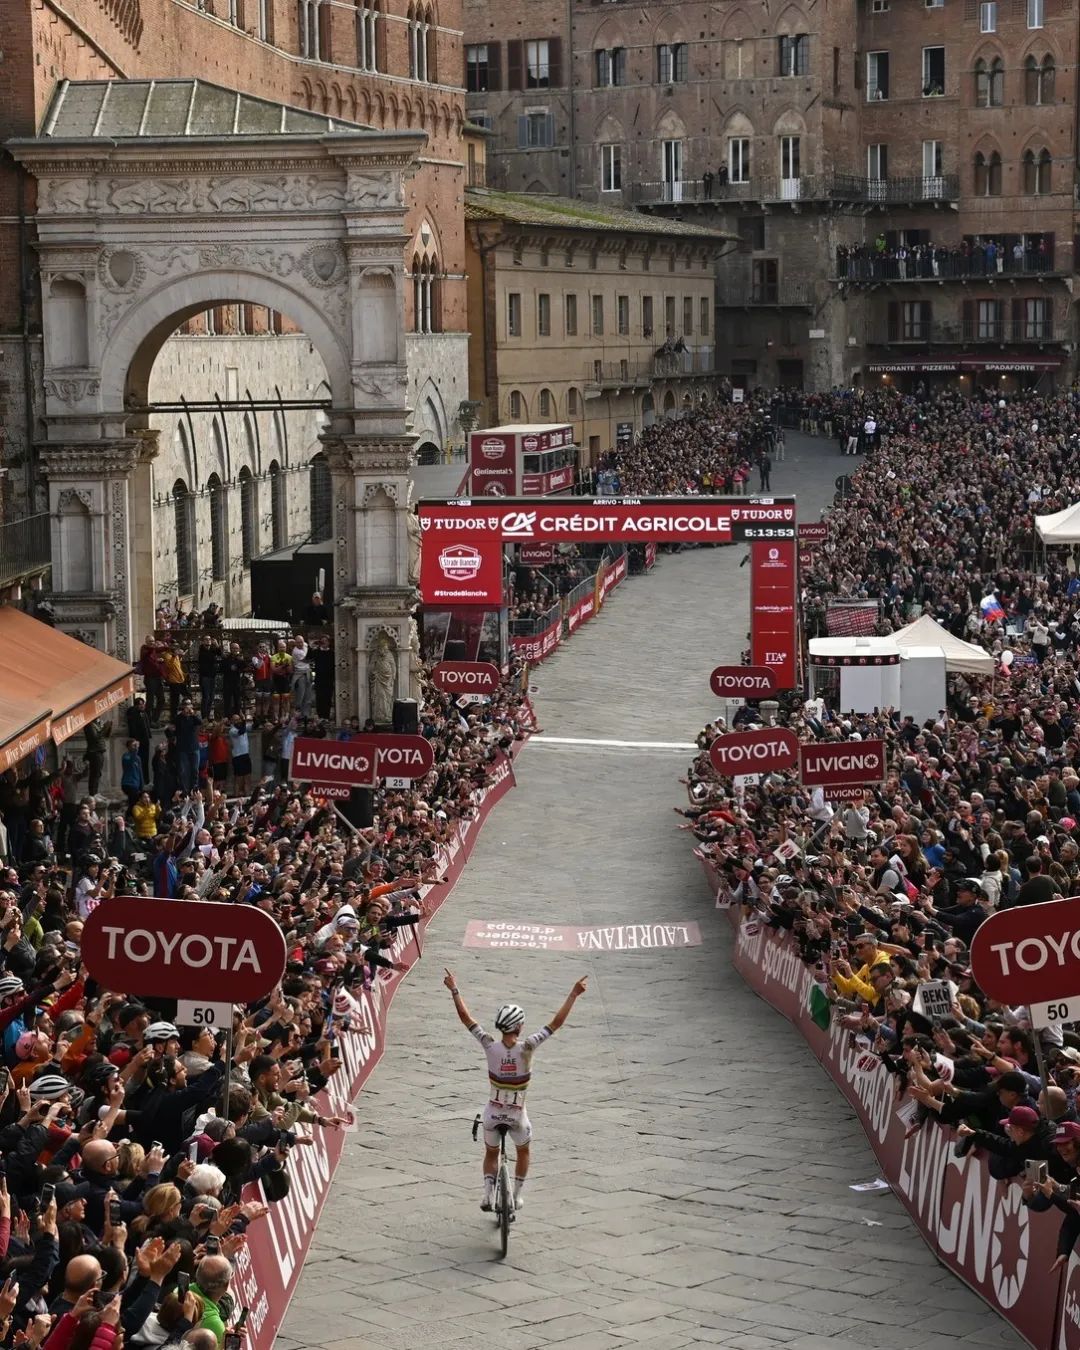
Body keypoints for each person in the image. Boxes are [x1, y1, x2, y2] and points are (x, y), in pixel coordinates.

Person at [443, 967, 588, 1211]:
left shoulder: (489, 1045)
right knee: (523, 1151)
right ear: (519, 1027)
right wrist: (573, 993)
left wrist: (454, 989)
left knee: (491, 1153)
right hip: (517, 1113)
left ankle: (488, 1195)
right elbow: (556, 1023)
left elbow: (466, 1019)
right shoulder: (528, 1047)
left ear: (500, 1026)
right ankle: (517, 1196)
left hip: (493, 1111)